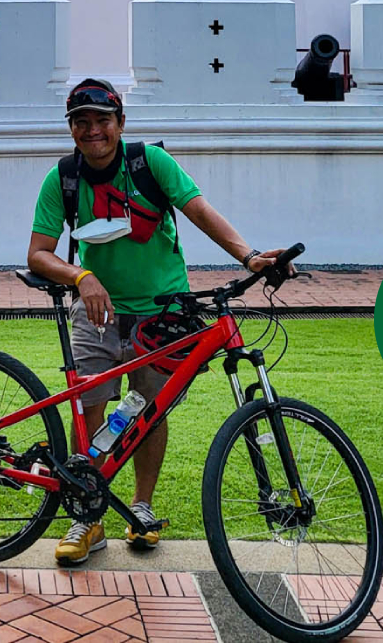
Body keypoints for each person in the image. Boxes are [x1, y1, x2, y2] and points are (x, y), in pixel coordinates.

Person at [27, 78, 293, 565]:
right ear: (70, 130)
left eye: (102, 121)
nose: (92, 132)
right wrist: (81, 274)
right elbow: (39, 255)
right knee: (89, 410)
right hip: (96, 314)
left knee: (150, 412)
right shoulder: (63, 179)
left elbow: (200, 211)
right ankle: (88, 515)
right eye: (80, 123)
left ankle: (141, 507)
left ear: (121, 124)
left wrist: (250, 257)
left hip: (162, 314)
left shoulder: (151, 163)